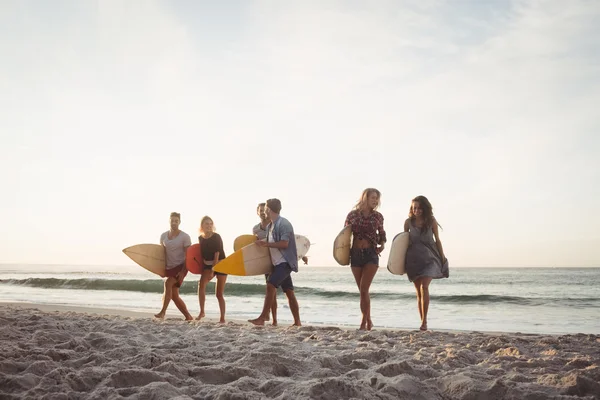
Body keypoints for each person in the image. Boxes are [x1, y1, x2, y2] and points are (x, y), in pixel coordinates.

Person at [253, 202, 307, 326]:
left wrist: (266, 244)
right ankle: (297, 322)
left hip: (285, 262)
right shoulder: (270, 226)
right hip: (275, 263)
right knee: (288, 291)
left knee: (270, 285)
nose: (264, 211)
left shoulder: (284, 224)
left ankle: (263, 318)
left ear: (269, 209)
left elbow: (285, 244)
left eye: (265, 208)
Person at [404, 195, 449, 331]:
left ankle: (424, 322)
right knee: (418, 291)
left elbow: (437, 241)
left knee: (424, 287)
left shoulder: (431, 222)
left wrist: (442, 257)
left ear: (425, 209)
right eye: (414, 208)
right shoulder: (408, 222)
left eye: (419, 208)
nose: (417, 210)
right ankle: (422, 320)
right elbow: (403, 242)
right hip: (414, 259)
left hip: (430, 258)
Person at [344, 188, 386, 331]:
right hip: (355, 254)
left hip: (371, 254)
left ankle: (363, 323)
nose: (375, 200)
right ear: (365, 198)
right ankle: (368, 319)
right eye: (373, 197)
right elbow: (344, 235)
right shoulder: (352, 215)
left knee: (364, 289)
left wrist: (383, 245)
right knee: (362, 291)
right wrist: (343, 254)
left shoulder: (378, 217)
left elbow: (381, 233)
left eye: (377, 198)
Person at [154, 212, 193, 321]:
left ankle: (162, 312)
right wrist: (161, 269)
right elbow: (161, 255)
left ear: (179, 222)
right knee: (175, 296)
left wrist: (182, 272)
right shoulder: (163, 236)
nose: (174, 223)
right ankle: (188, 316)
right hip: (169, 267)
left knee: (168, 283)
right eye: (172, 221)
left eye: (176, 221)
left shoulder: (185, 237)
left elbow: (188, 256)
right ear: (169, 221)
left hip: (181, 266)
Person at [196, 216, 227, 323]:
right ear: (202, 226)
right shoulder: (200, 238)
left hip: (221, 264)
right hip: (208, 265)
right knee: (201, 284)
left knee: (219, 294)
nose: (209, 226)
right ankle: (202, 311)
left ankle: (222, 318)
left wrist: (213, 270)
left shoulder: (216, 237)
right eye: (206, 224)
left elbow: (217, 253)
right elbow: (201, 255)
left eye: (210, 224)